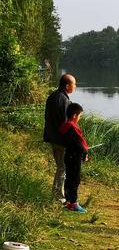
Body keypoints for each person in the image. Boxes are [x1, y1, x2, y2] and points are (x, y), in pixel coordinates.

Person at [43, 73, 76, 203]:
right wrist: (71, 141)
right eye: (74, 84)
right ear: (67, 85)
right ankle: (58, 197)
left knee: (60, 167)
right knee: (62, 168)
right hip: (60, 140)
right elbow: (65, 123)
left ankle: (58, 194)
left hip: (53, 137)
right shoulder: (63, 100)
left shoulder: (53, 96)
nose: (75, 86)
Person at [60, 103, 88, 213]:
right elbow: (78, 143)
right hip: (74, 157)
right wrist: (85, 153)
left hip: (69, 155)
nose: (80, 118)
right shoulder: (71, 127)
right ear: (75, 115)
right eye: (80, 115)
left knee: (69, 179)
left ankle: (69, 202)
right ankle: (73, 203)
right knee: (74, 180)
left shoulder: (66, 125)